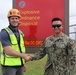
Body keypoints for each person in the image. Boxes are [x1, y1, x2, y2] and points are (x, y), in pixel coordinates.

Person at [0, 9, 31, 75]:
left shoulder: (20, 33)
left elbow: (20, 49)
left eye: (16, 18)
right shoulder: (4, 32)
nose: (15, 20)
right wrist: (23, 56)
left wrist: (23, 63)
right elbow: (8, 51)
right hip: (9, 67)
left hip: (20, 66)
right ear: (9, 20)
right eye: (12, 18)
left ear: (19, 20)